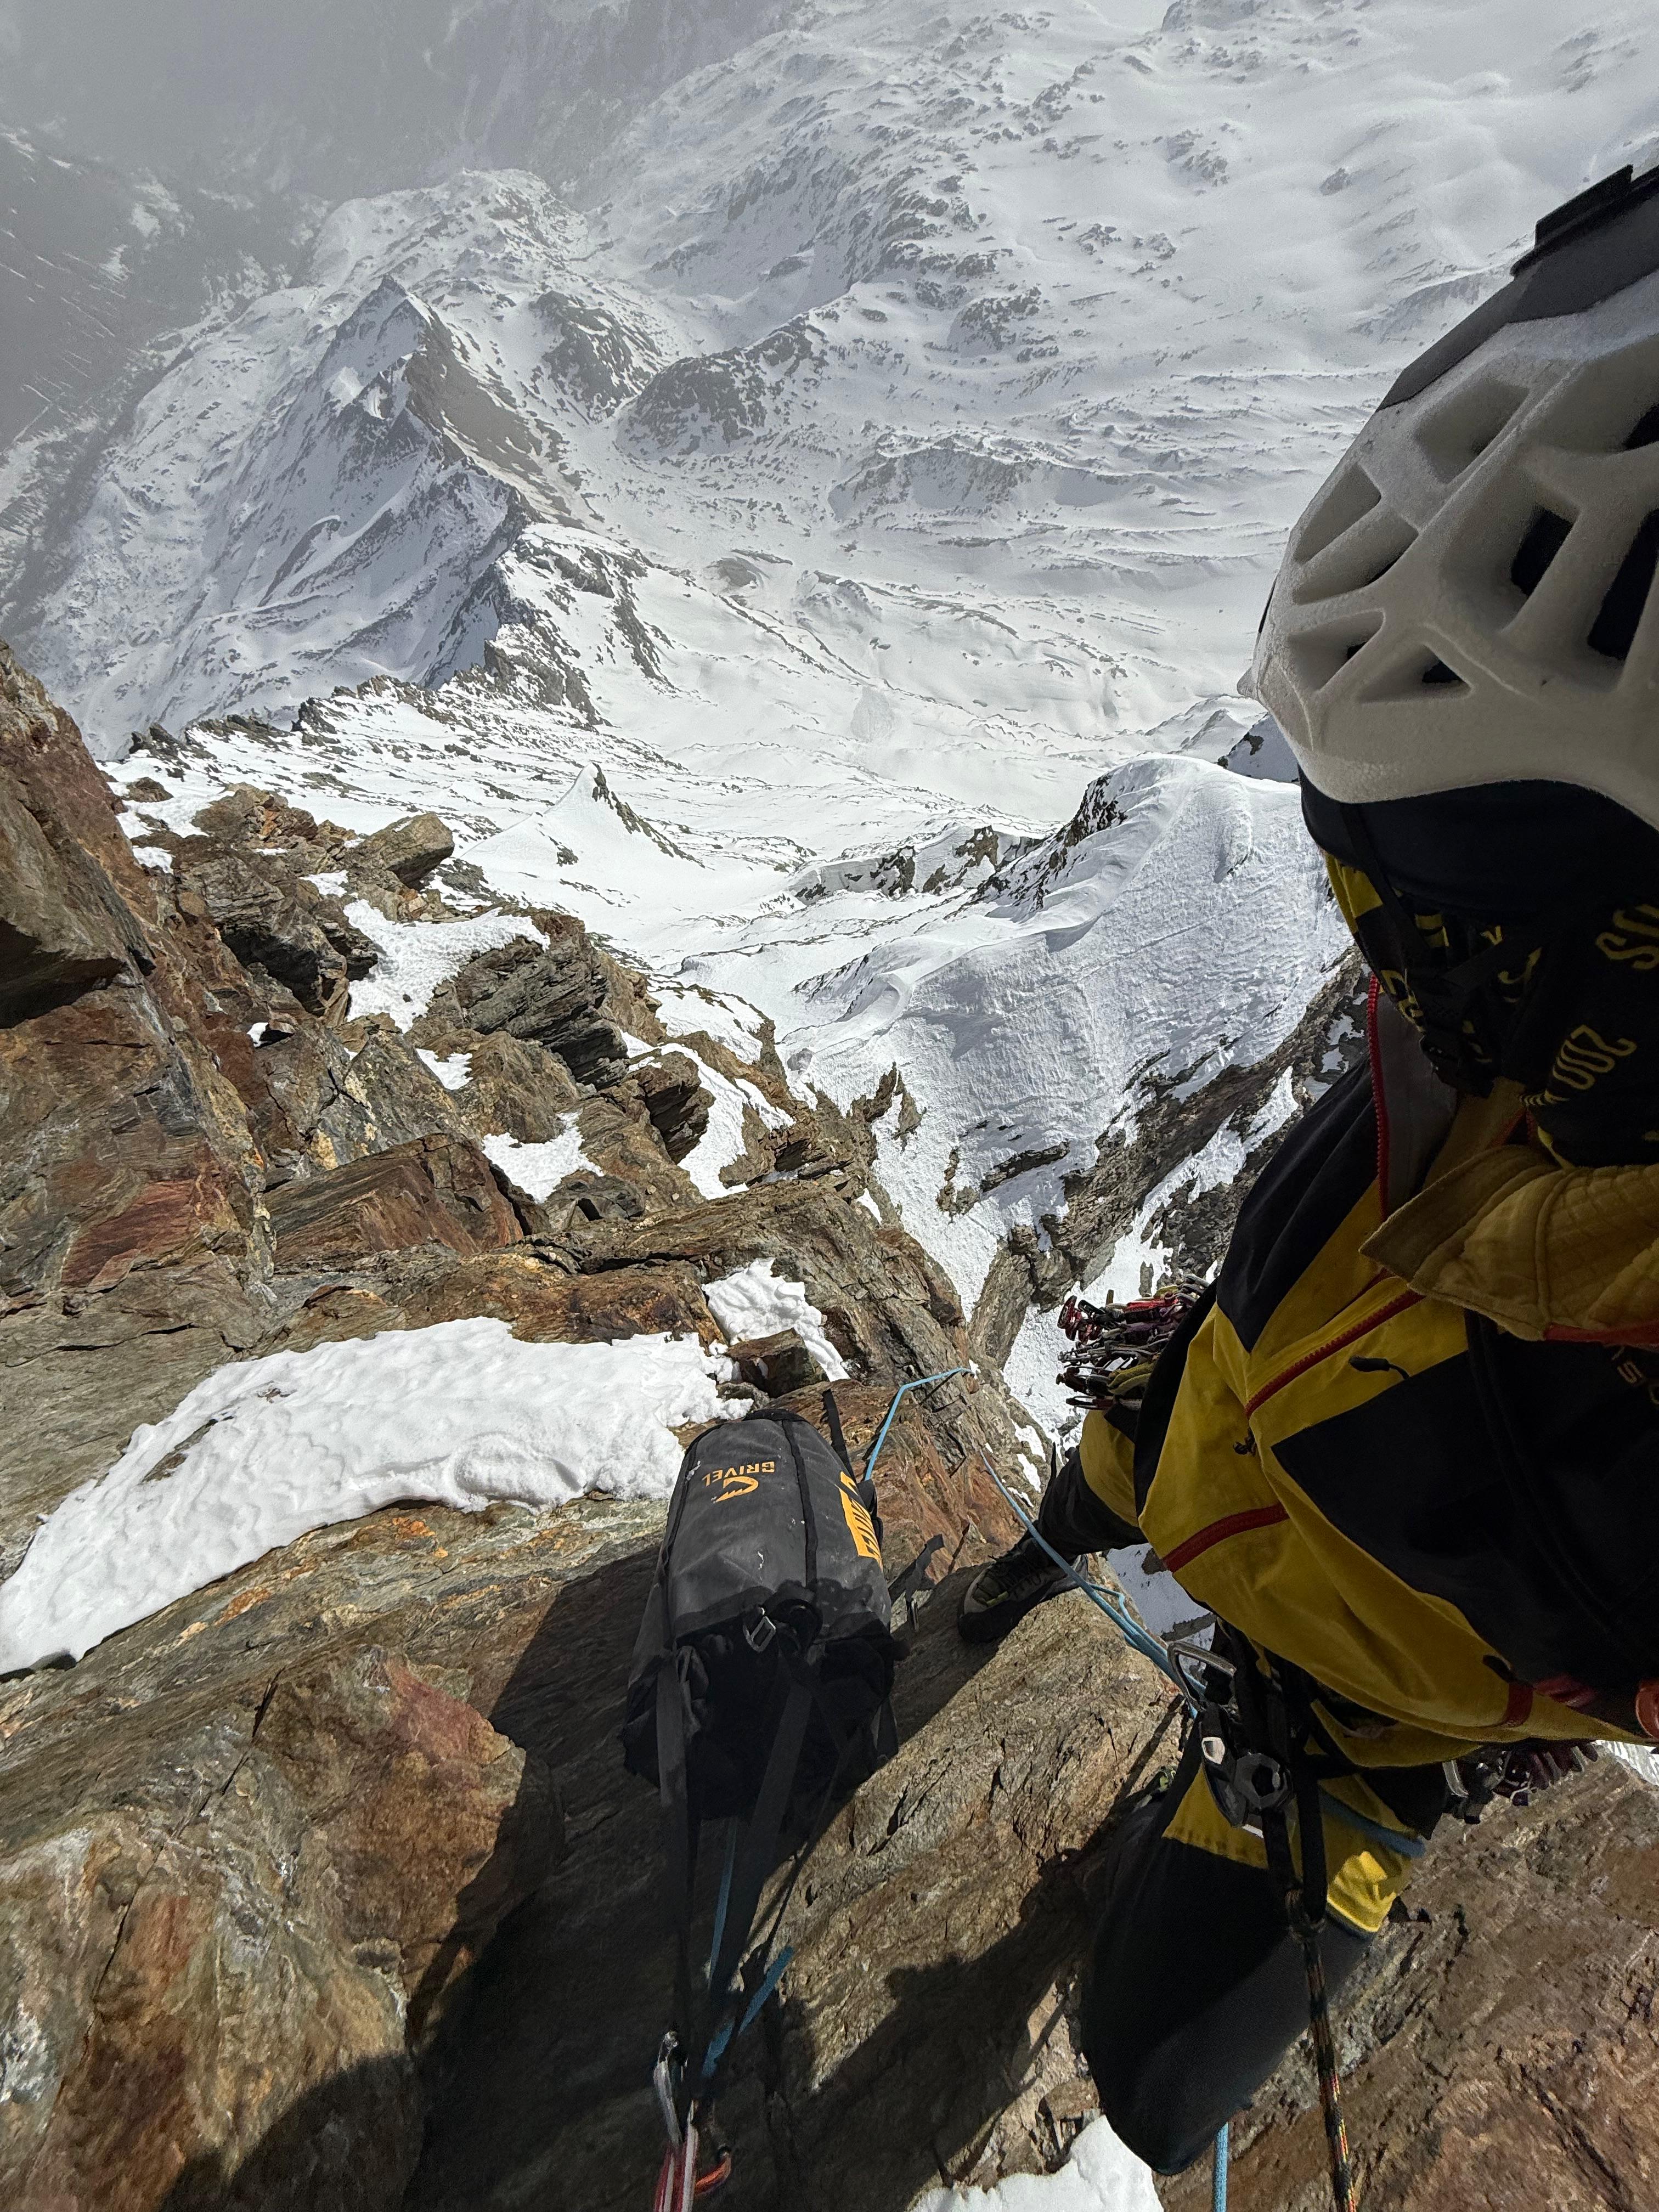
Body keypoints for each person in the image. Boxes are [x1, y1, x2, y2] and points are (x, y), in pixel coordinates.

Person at [958, 160, 1659, 2177]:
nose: (1402, 980)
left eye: (1461, 923)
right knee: (1095, 1496)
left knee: (1155, 2075)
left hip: (1372, 1707)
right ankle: (1050, 1549)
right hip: (1227, 1393)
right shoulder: (1552, 1055)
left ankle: (1156, 1615)